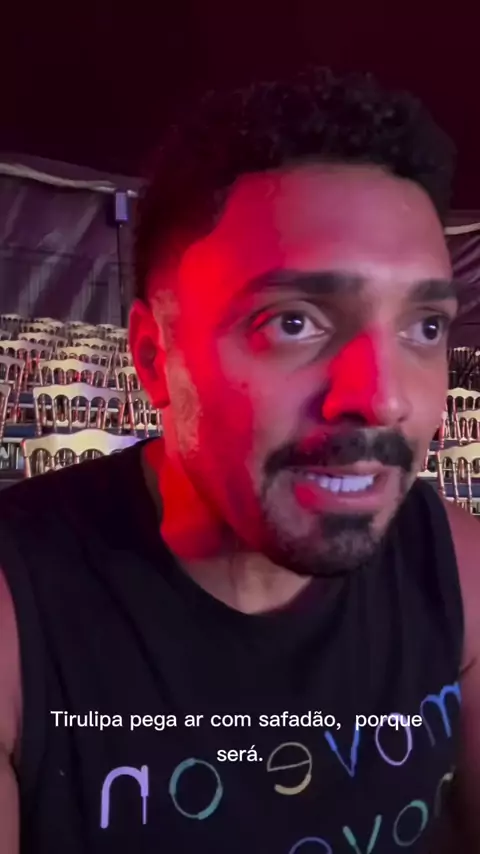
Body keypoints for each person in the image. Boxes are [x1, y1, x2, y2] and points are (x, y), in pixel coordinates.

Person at [0, 67, 479, 854]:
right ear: (154, 359)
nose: (385, 398)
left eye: (425, 326)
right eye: (292, 321)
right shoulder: (20, 618)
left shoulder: (456, 568)